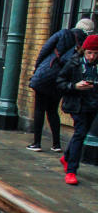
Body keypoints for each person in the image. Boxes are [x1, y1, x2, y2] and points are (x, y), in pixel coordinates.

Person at [27, 18, 94, 151]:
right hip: (62, 78)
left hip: (46, 75)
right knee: (52, 110)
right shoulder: (84, 44)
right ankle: (56, 144)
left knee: (39, 109)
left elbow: (44, 51)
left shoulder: (63, 33)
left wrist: (37, 69)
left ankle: (36, 143)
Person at [55, 34, 98, 185]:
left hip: (92, 105)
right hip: (76, 104)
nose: (92, 57)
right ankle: (71, 170)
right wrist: (74, 86)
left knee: (82, 133)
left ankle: (66, 157)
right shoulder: (74, 63)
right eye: (89, 53)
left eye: (95, 53)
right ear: (84, 51)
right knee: (80, 134)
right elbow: (60, 81)